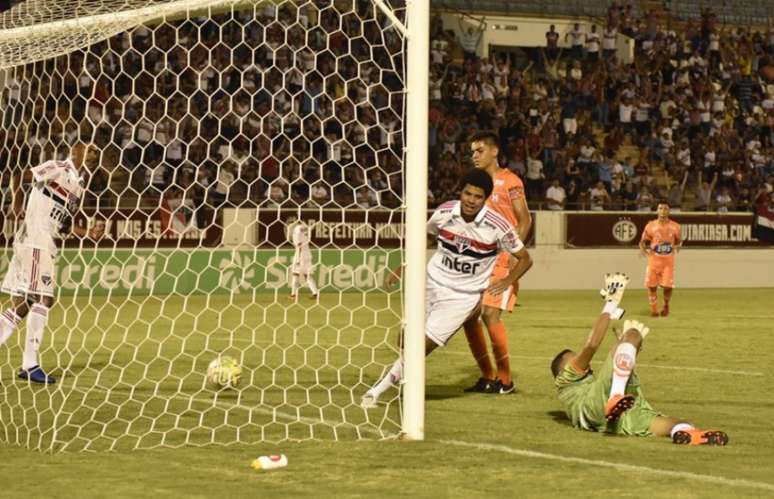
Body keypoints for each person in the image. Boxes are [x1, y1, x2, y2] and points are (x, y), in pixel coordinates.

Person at [361, 169, 533, 408]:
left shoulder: (497, 225)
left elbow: (525, 258)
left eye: (477, 196)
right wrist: (403, 265)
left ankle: (376, 392)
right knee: (403, 340)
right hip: (430, 283)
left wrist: (506, 281)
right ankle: (403, 376)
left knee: (419, 347)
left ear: (485, 199)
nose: (471, 200)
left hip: (461, 298)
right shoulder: (444, 212)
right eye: (467, 193)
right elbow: (424, 236)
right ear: (460, 192)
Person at [550, 273, 728, 445]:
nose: (583, 362)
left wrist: (626, 346)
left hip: (610, 421)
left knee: (671, 423)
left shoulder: (574, 397)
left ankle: (689, 434)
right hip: (598, 404)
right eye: (575, 359)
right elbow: (591, 345)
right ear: (561, 371)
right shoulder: (567, 379)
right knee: (634, 334)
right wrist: (611, 303)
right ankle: (617, 395)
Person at [0, 143, 94, 384]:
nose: (94, 154)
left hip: (43, 241)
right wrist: (17, 204)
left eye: (96, 151)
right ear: (77, 151)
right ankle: (30, 365)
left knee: (22, 304)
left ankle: (28, 365)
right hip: (35, 239)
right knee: (44, 298)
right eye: (90, 149)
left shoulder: (78, 186)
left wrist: (88, 232)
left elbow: (63, 223)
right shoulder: (59, 167)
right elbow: (21, 175)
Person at [462, 132, 532, 395]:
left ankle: (505, 381)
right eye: (472, 152)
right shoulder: (476, 186)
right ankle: (488, 376)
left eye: (479, 150)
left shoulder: (510, 181)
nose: (475, 155)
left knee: (490, 314)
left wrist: (513, 251)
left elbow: (524, 220)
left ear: (494, 151)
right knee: (469, 319)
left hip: (501, 259)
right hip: (477, 259)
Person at [639, 202, 681, 317]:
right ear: (657, 210)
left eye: (665, 208)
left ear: (669, 211)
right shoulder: (650, 226)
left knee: (667, 286)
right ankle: (654, 310)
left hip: (668, 262)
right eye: (660, 208)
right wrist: (643, 250)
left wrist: (678, 246)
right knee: (652, 286)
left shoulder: (676, 226)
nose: (663, 211)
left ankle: (666, 304)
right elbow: (642, 242)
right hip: (654, 260)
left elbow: (679, 241)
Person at [289, 219, 318, 300]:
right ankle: (315, 293)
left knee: (295, 274)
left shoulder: (296, 229)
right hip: (308, 253)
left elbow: (299, 244)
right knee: (307, 275)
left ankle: (293, 295)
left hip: (300, 254)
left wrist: (298, 258)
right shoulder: (305, 227)